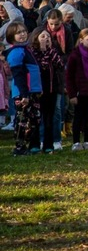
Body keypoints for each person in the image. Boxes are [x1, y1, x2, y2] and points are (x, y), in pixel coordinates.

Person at [5, 22, 43, 155]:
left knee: (34, 119)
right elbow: (19, 75)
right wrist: (24, 95)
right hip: (23, 92)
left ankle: (29, 145)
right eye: (18, 32)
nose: (22, 34)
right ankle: (19, 147)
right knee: (22, 120)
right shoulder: (16, 52)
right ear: (11, 36)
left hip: (33, 90)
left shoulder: (26, 49)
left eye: (23, 31)